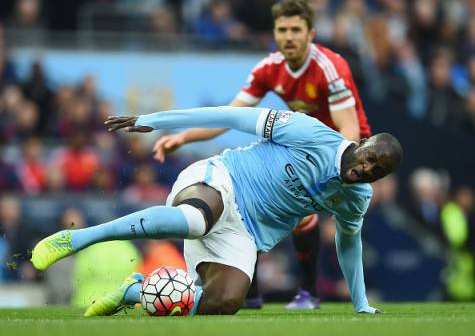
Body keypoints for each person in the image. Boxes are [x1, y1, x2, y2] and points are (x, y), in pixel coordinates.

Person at [31, 105, 401, 316]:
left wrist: (361, 303)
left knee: (225, 301)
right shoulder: (312, 133)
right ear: (364, 143)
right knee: (194, 221)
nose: (367, 170)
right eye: (371, 160)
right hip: (222, 180)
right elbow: (230, 116)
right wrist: (155, 120)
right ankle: (78, 238)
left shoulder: (356, 197)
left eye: (377, 172)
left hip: (245, 234)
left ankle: (135, 292)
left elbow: (349, 244)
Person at [152, 0, 371, 310]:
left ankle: (309, 292)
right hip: (305, 147)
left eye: (296, 29)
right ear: (275, 33)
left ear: (310, 34)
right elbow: (230, 115)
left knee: (305, 214)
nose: (289, 37)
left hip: (345, 155)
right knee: (255, 201)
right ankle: (255, 292)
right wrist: (184, 137)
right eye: (282, 30)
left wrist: (327, 172)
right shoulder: (269, 68)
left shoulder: (330, 68)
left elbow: (349, 132)